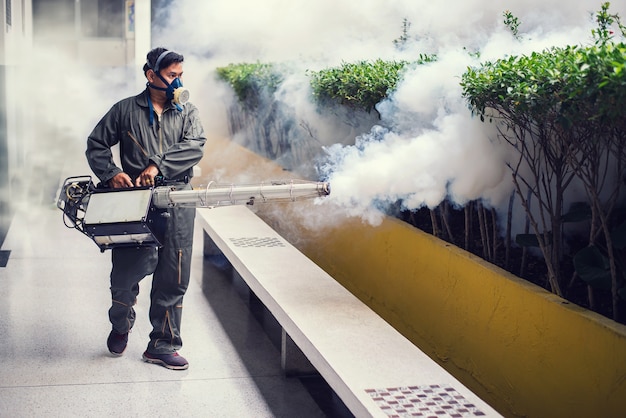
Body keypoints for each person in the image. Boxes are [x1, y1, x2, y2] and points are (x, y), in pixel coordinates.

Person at [85, 47, 206, 370]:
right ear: (151, 76)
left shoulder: (188, 112)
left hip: (178, 198)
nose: (178, 82)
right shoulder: (124, 110)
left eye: (180, 75)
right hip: (135, 202)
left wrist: (158, 166)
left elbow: (195, 147)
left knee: (173, 274)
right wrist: (112, 174)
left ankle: (162, 344)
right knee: (125, 274)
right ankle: (121, 323)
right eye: (171, 76)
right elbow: (96, 144)